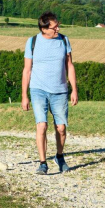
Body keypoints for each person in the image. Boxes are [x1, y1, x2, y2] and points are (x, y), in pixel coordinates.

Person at [21, 12, 78, 175]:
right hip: (38, 89)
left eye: (58, 25)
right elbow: (27, 70)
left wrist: (74, 89)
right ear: (44, 28)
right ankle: (42, 162)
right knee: (42, 126)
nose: (58, 29)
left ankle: (59, 156)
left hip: (60, 90)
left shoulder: (64, 40)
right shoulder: (32, 42)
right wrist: (24, 95)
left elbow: (70, 66)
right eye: (54, 27)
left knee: (60, 128)